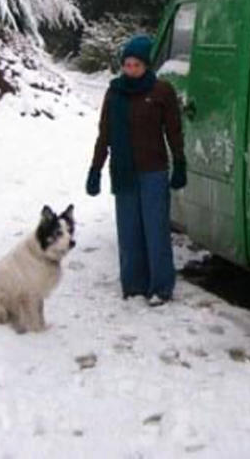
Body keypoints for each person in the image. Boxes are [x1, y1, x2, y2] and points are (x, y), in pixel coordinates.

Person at [85, 35, 187, 305]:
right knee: (129, 231)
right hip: (124, 171)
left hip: (153, 171)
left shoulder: (162, 91)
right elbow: (104, 134)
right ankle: (133, 285)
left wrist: (180, 162)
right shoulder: (115, 92)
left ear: (147, 66)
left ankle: (160, 287)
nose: (130, 70)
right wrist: (95, 169)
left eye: (136, 65)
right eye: (127, 65)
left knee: (155, 231)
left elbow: (174, 131)